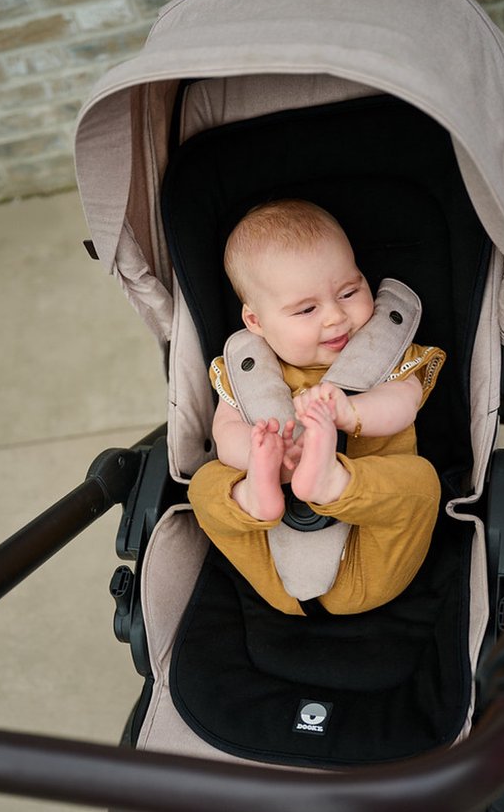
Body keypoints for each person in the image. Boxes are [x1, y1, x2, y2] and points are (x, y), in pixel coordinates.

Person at [188, 199, 445, 615]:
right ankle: (254, 498)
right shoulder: (246, 371)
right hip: (271, 561)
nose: (335, 317)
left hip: (371, 560)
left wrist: (349, 414)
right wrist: (261, 457)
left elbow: (405, 403)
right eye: (307, 309)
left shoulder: (387, 351)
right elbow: (226, 431)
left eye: (349, 291)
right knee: (204, 485)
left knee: (420, 483)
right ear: (255, 322)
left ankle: (333, 483)